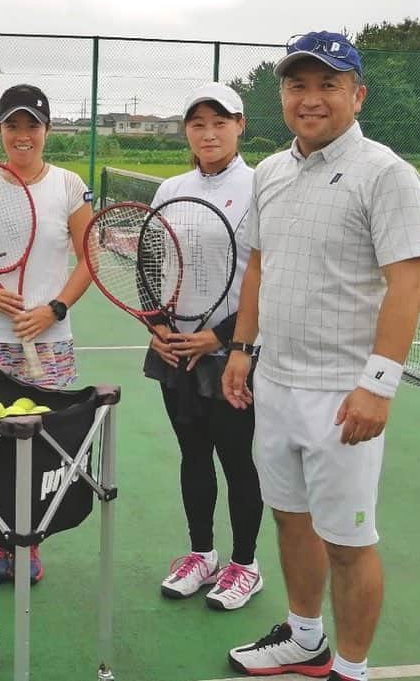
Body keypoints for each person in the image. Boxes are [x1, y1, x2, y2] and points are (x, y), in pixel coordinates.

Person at [221, 32, 420, 681]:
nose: (310, 99)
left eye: (327, 84)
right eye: (297, 85)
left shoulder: (387, 173)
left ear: (356, 92)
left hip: (344, 393)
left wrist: (378, 384)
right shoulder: (271, 173)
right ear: (282, 94)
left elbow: (408, 282)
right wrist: (241, 349)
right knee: (290, 517)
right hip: (275, 384)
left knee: (348, 540)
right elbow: (259, 264)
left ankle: (351, 667)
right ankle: (305, 638)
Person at [0, 83, 93, 584]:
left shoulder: (70, 186)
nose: (23, 135)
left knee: (42, 443)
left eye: (32, 125)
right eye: (13, 125)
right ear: (0, 130)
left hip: (49, 340)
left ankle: (27, 542)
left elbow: (88, 259)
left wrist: (54, 308)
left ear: (47, 130)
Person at [144, 83, 264, 611]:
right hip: (176, 351)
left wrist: (221, 336)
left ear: (240, 126)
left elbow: (270, 277)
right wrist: (156, 326)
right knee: (193, 455)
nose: (208, 133)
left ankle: (245, 564)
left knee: (237, 459)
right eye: (197, 124)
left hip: (234, 352)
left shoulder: (262, 187)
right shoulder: (169, 189)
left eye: (220, 122)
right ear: (186, 131)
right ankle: (201, 554)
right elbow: (150, 263)